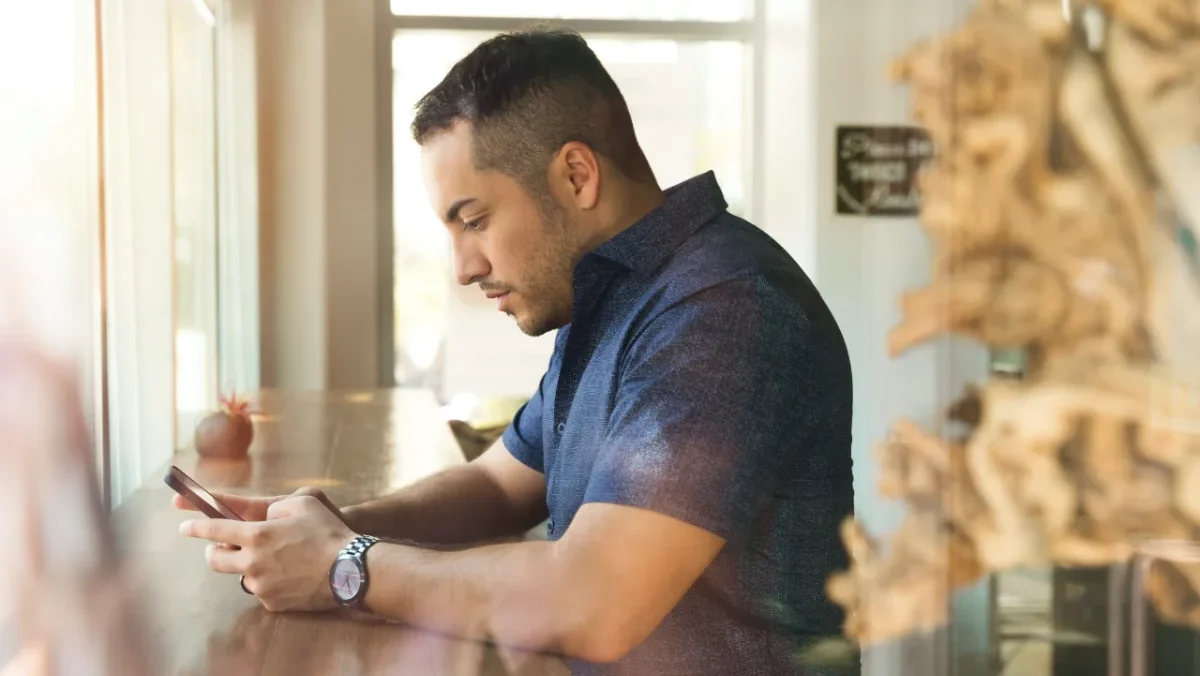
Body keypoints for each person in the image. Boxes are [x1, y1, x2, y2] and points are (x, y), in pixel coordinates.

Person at [177, 28, 855, 675]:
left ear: (577, 175)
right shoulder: (612, 294)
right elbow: (498, 485)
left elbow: (596, 599)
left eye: (475, 221)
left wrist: (343, 565)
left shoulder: (725, 308)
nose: (463, 270)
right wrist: (323, 529)